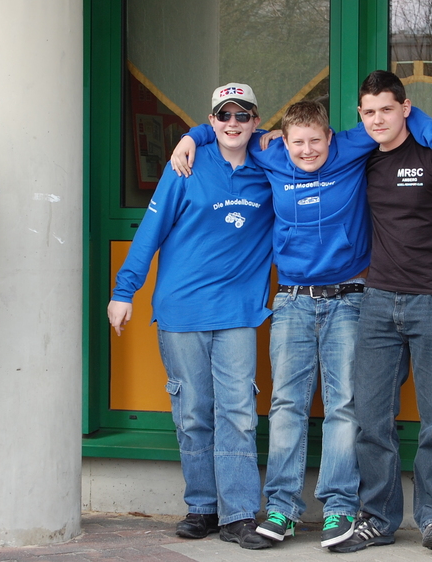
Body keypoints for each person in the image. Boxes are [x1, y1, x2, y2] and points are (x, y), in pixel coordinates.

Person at [169, 100, 432, 548]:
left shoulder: (352, 146)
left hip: (349, 298)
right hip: (292, 300)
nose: (307, 150)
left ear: (331, 137)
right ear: (284, 141)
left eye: (316, 140)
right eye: (298, 142)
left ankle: (338, 507)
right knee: (286, 405)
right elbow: (230, 131)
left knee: (344, 406)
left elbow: (398, 114)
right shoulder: (270, 152)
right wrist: (191, 135)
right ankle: (282, 508)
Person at [333, 70, 432, 554]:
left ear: (406, 109)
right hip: (378, 301)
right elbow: (308, 145)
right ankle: (378, 520)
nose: (377, 119)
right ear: (360, 115)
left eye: (387, 109)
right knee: (371, 417)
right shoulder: (362, 159)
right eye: (369, 112)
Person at [108, 83, 274, 550]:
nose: (233, 123)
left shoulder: (271, 167)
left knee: (238, 412)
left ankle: (239, 513)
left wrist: (199, 132)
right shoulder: (185, 165)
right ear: (213, 120)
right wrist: (123, 291)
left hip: (238, 312)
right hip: (182, 309)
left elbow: (310, 143)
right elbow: (150, 231)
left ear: (256, 120)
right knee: (194, 412)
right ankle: (202, 506)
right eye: (223, 116)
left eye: (242, 115)